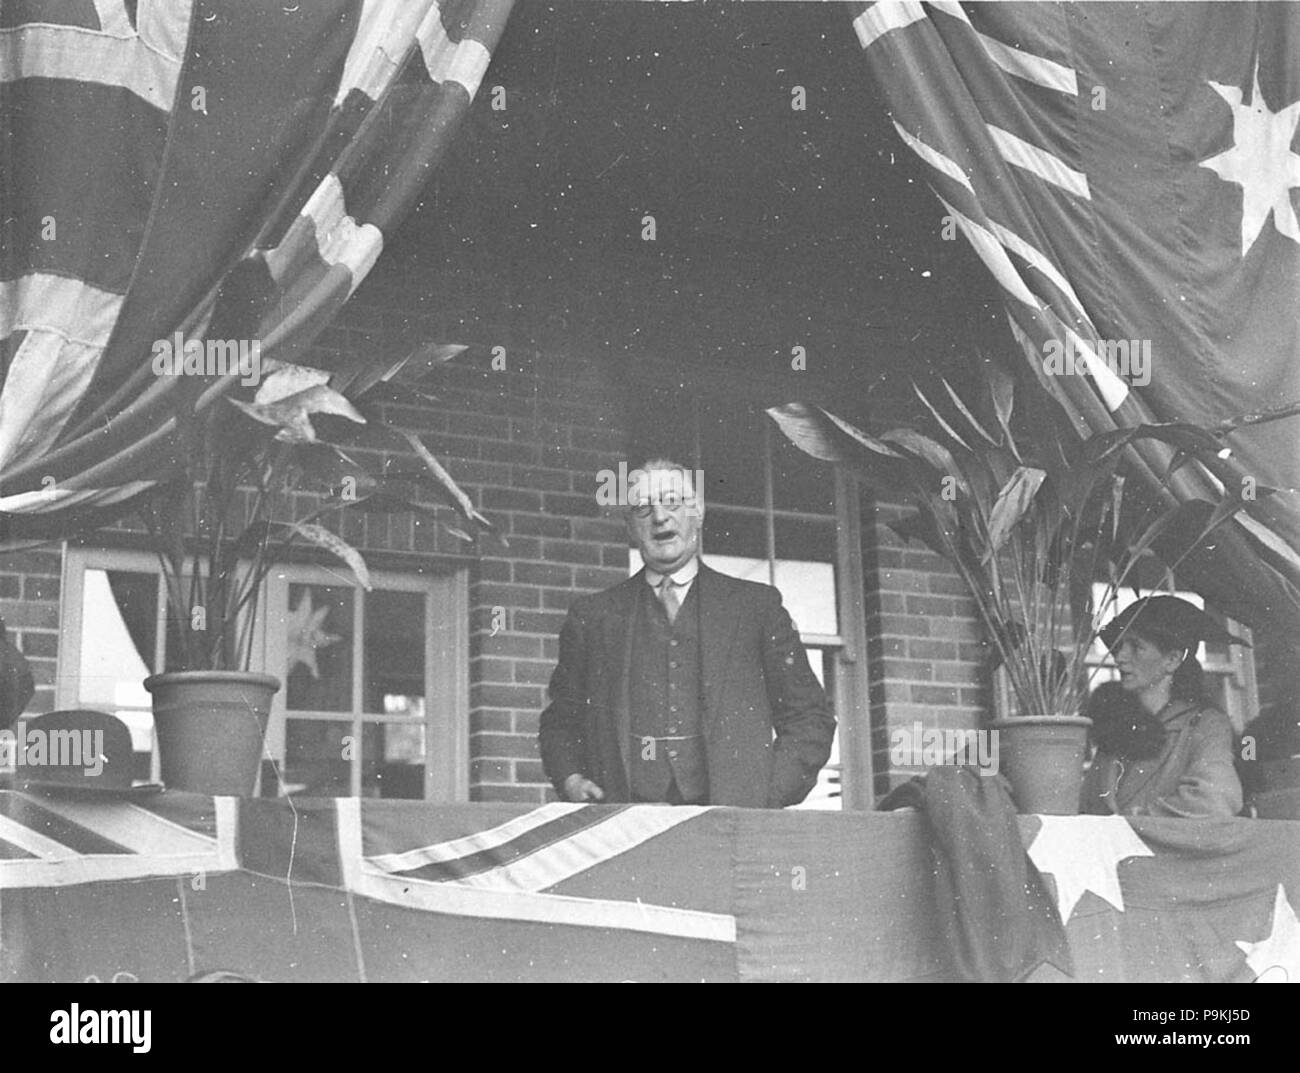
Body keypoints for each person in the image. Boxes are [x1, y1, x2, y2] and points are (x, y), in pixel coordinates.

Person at [538, 457, 835, 807]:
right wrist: (571, 780)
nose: (660, 517)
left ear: (698, 512)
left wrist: (765, 794)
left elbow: (809, 718)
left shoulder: (755, 608)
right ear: (630, 527)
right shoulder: (593, 616)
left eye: (672, 502)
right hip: (623, 826)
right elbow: (561, 721)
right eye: (643, 508)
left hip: (731, 825)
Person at [1081, 596, 1246, 818]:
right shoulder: (1116, 727)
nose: (1120, 657)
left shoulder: (1206, 725)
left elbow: (1213, 800)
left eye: (1136, 647)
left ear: (1172, 660)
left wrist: (1133, 823)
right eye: (1120, 646)